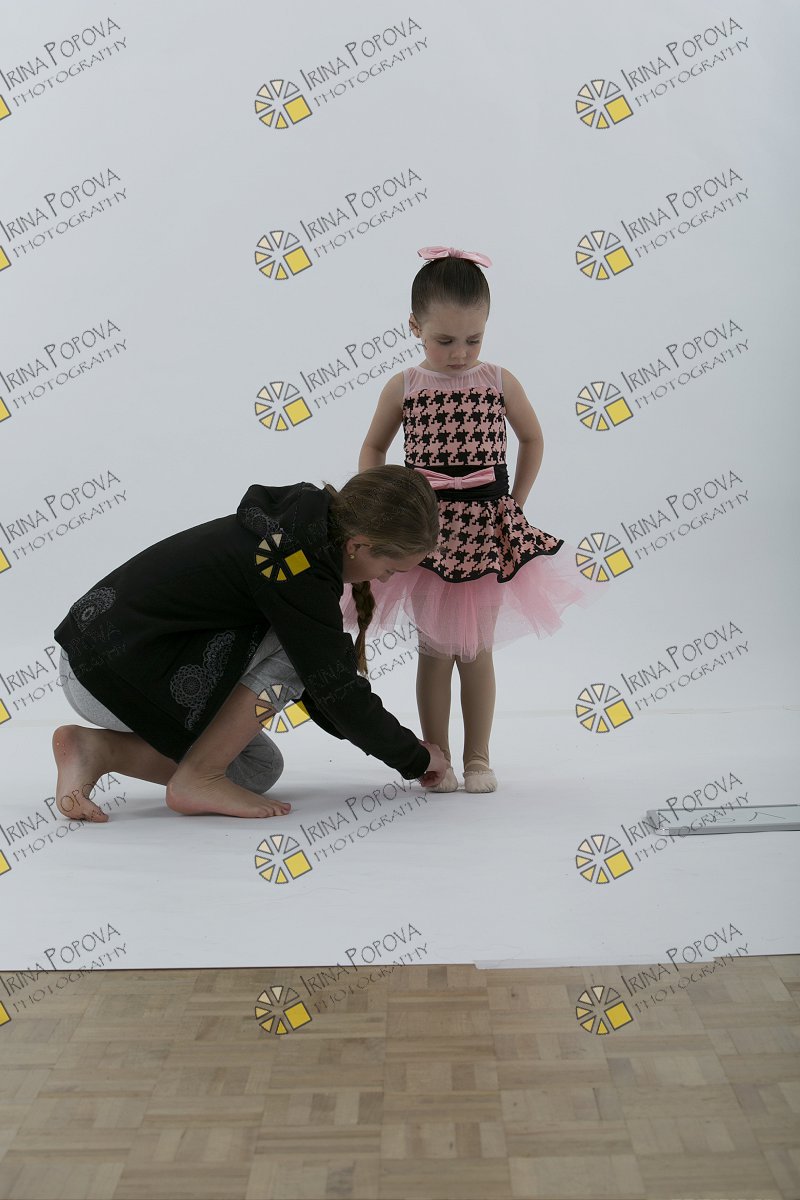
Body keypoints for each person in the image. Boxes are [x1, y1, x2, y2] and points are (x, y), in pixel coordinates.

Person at [51, 466, 450, 822]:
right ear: (357, 544)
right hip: (114, 672)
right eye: (389, 569)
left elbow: (323, 687)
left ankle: (95, 750)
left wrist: (404, 749)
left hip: (96, 661)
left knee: (257, 769)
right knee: (295, 653)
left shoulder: (298, 532)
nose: (383, 580)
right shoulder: (295, 563)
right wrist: (414, 757)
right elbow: (332, 684)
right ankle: (199, 776)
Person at [348, 245, 598, 794]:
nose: (460, 354)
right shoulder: (405, 387)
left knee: (476, 651)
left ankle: (479, 757)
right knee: (434, 652)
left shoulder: (498, 381)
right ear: (414, 327)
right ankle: (435, 757)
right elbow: (373, 446)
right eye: (444, 341)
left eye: (473, 340)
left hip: (485, 532)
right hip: (426, 536)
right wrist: (381, 509)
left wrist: (515, 503)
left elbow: (532, 438)